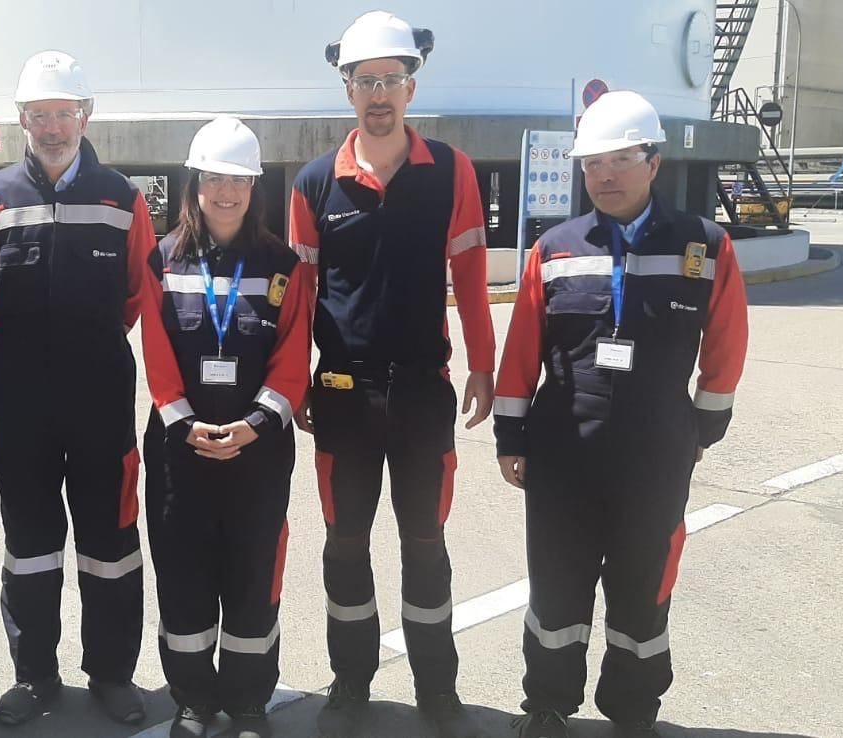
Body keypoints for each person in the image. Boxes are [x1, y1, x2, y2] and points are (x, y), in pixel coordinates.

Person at [492, 90, 749, 738]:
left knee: (643, 588)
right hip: (563, 452)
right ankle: (547, 704)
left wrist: (702, 426)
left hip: (654, 451)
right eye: (591, 164)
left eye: (618, 160)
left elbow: (726, 341)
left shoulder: (706, 246)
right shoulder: (553, 248)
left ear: (653, 162)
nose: (603, 175)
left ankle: (633, 710)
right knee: (557, 589)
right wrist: (511, 435)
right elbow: (523, 346)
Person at [288, 12, 497, 738]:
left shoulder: (452, 171)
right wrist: (292, 381)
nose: (378, 94)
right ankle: (351, 680)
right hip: (341, 394)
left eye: (391, 81)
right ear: (346, 88)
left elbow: (471, 272)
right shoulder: (314, 183)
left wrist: (485, 362)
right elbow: (300, 297)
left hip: (421, 391)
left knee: (425, 545)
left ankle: (437, 688)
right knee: (344, 545)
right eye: (364, 81)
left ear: (412, 86)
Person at [0, 50, 159, 726]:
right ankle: (35, 675)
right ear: (21, 119)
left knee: (111, 542)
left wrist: (84, 349)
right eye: (39, 114)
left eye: (63, 112)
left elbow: (138, 294)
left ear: (86, 115)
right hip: (20, 398)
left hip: (101, 394)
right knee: (31, 543)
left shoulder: (123, 198)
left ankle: (111, 674)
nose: (52, 125)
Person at [139, 117, 312, 738]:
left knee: (251, 572)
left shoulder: (282, 266)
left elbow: (293, 358)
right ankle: (191, 697)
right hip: (178, 453)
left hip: (257, 454)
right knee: (183, 573)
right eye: (215, 179)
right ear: (196, 185)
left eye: (239, 180)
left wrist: (256, 424)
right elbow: (157, 353)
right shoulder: (161, 259)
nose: (227, 192)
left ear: (254, 187)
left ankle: (246, 701)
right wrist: (183, 424)